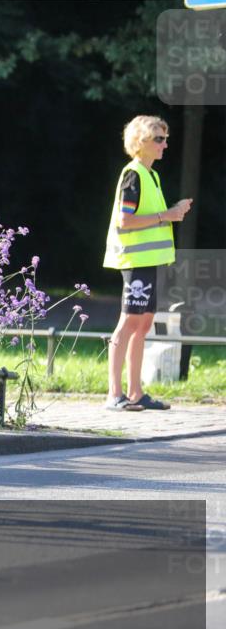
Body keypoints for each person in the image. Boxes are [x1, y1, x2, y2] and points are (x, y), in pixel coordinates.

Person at [103, 115, 192, 411]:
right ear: (140, 142)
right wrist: (167, 215)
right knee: (128, 323)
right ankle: (114, 394)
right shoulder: (133, 175)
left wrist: (171, 212)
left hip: (150, 262)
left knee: (142, 325)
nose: (165, 144)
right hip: (136, 261)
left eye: (166, 138)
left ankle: (136, 393)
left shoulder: (151, 175)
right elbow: (126, 220)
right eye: (159, 139)